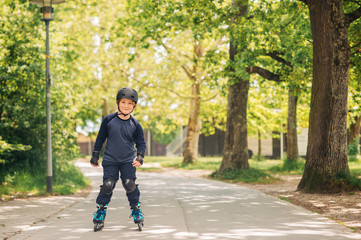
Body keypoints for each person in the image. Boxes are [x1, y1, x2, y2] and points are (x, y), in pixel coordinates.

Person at [90, 87, 146, 231]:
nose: (126, 106)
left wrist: (140, 157)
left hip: (128, 160)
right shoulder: (109, 120)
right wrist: (95, 155)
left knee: (129, 184)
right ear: (118, 103)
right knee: (108, 184)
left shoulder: (136, 124)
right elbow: (100, 138)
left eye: (130, 103)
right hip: (110, 160)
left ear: (134, 105)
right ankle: (101, 210)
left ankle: (136, 208)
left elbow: (141, 143)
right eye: (123, 102)